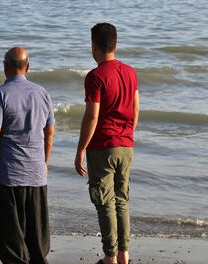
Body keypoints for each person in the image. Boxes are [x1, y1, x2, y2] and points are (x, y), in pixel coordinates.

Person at [74, 23, 139, 264]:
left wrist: (80, 149)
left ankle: (110, 257)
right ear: (115, 44)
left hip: (103, 145)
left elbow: (92, 116)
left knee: (104, 202)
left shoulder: (96, 76)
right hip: (126, 144)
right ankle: (124, 255)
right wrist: (128, 134)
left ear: (94, 47)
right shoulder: (130, 72)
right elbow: (135, 108)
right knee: (122, 200)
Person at [0, 47, 55, 264]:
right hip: (36, 175)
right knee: (36, 239)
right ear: (28, 67)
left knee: (10, 240)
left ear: (5, 67)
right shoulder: (43, 93)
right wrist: (44, 162)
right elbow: (49, 132)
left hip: (8, 176)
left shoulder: (0, 93)